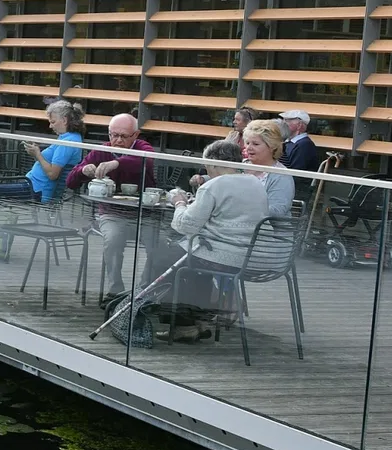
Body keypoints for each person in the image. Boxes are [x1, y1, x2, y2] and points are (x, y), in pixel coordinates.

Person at [152, 139, 271, 340]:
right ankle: (200, 320)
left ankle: (182, 323)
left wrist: (179, 203)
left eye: (207, 165)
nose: (207, 169)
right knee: (190, 265)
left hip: (224, 256)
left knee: (162, 259)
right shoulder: (255, 183)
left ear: (214, 163)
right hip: (252, 256)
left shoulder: (213, 186)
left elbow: (184, 226)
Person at [66, 112, 156, 302]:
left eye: (123, 136)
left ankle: (144, 290)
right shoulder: (102, 150)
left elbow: (146, 159)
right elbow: (70, 181)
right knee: (114, 240)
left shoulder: (142, 147)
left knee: (160, 245)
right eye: (113, 135)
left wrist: (116, 163)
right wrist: (83, 170)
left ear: (136, 134)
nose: (117, 140)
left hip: (144, 215)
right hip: (112, 213)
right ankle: (115, 290)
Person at [0, 99, 86, 201]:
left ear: (64, 120)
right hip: (32, 185)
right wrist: (35, 154)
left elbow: (52, 174)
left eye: (53, 122)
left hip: (36, 190)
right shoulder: (67, 137)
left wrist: (38, 154)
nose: (50, 126)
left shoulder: (68, 142)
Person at [242, 118, 295, 217]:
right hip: (235, 226)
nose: (249, 148)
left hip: (267, 230)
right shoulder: (239, 166)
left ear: (272, 146)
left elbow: (277, 211)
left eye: (256, 144)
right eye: (247, 143)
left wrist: (239, 207)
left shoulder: (281, 175)